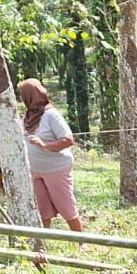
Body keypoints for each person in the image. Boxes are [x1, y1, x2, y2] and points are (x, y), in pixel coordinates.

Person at [17, 78, 82, 231]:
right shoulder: (26, 116)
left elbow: (68, 139)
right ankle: (43, 243)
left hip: (56, 168)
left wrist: (44, 145)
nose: (21, 98)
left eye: (22, 94)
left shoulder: (51, 115)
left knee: (66, 207)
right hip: (35, 171)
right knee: (42, 209)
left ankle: (81, 243)